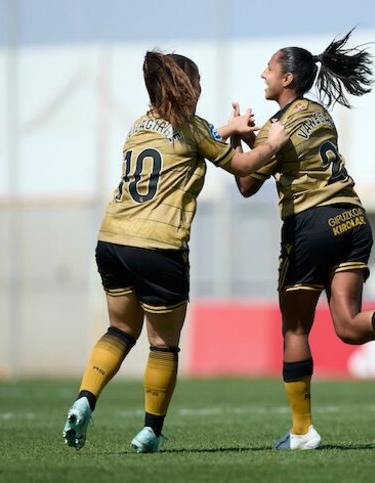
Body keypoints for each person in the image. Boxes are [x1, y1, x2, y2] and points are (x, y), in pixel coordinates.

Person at [232, 30, 375, 450]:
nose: (262, 73)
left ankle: (302, 431)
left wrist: (233, 139)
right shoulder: (319, 113)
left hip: (311, 224)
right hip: (352, 219)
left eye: (270, 67)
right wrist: (255, 140)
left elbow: (246, 182)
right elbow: (289, 156)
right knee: (349, 327)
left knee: (296, 326)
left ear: (288, 80)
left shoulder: (276, 127)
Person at [63, 50, 289, 453]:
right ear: (187, 87)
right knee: (163, 345)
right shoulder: (193, 126)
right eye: (197, 82)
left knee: (119, 330)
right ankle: (150, 431)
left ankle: (85, 398)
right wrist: (271, 144)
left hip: (113, 241)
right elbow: (243, 166)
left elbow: (185, 143)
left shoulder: (138, 126)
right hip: (159, 247)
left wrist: (224, 128)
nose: (200, 89)